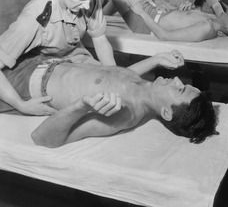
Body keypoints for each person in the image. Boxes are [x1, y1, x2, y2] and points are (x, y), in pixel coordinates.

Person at [0, 0, 117, 116]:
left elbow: (100, 40)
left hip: (72, 54)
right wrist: (21, 105)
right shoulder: (33, 19)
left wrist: (114, 77)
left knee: (105, 86)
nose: (88, 5)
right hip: (33, 63)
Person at [27, 49, 218, 148]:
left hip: (24, 80)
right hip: (43, 59)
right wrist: (156, 59)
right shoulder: (142, 87)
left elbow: (42, 138)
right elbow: (120, 77)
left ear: (166, 112)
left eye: (180, 89)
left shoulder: (124, 114)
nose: (177, 79)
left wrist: (80, 106)